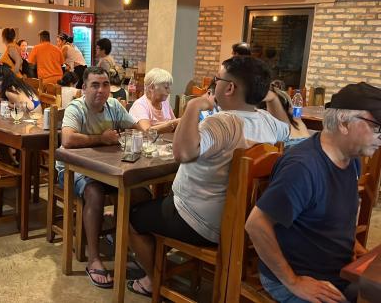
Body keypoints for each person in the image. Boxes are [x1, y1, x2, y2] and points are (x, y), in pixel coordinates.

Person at [126, 56, 290, 297]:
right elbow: (286, 127)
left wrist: (193, 106)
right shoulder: (267, 122)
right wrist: (273, 98)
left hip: (200, 222)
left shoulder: (223, 124)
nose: (214, 85)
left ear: (230, 87)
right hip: (243, 223)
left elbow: (182, 153)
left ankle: (153, 280)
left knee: (132, 218)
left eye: (217, 79)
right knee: (154, 203)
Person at [245, 82, 381, 303]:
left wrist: (354, 249)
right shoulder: (303, 167)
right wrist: (293, 282)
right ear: (344, 123)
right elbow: (255, 225)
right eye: (377, 127)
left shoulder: (352, 160)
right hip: (298, 278)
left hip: (337, 270)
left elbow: (330, 217)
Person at [56, 66, 149, 288]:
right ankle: (94, 259)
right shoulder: (75, 108)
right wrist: (102, 138)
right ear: (84, 88)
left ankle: (133, 248)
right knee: (94, 193)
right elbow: (67, 140)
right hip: (71, 170)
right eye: (95, 85)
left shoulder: (114, 106)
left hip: (107, 170)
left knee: (140, 193)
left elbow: (138, 129)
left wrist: (147, 127)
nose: (101, 90)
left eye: (105, 84)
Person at [129, 68, 179, 133]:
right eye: (166, 87)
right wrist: (170, 124)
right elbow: (146, 130)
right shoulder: (140, 105)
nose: (169, 91)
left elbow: (175, 124)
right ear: (152, 87)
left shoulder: (165, 103)